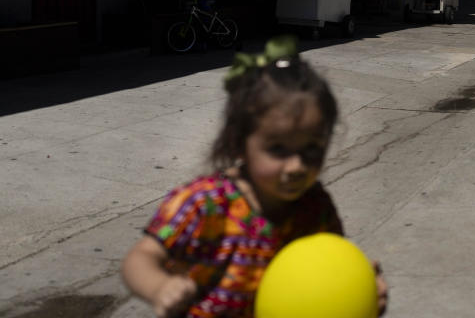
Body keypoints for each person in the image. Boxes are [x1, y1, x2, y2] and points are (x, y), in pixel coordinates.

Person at [122, 36, 388, 317]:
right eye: (278, 149)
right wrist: (159, 287)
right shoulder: (203, 204)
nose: (296, 166)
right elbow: (140, 259)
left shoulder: (316, 207)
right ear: (239, 142)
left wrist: (360, 290)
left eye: (312, 149)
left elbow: (328, 269)